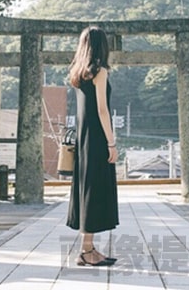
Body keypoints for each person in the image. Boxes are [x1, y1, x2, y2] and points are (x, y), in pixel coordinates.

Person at [65, 26, 119, 266]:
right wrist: (112, 142)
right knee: (95, 190)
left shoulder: (78, 73)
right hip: (97, 139)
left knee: (88, 190)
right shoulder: (100, 71)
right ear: (101, 46)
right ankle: (86, 252)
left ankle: (88, 249)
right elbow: (101, 110)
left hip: (83, 139)